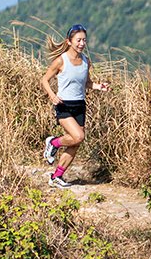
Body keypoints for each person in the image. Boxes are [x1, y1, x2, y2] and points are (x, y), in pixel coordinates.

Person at [40, 24, 109, 188]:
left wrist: (99, 86)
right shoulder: (61, 60)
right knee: (78, 136)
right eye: (78, 40)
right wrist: (52, 95)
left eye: (84, 40)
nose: (82, 43)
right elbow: (44, 80)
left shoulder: (86, 61)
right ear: (69, 41)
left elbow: (86, 83)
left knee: (75, 143)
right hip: (63, 105)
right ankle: (54, 143)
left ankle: (56, 176)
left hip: (80, 105)